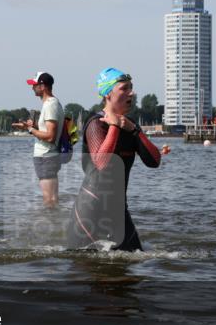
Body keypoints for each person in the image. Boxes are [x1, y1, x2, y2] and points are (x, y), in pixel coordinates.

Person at [69, 68, 169, 251]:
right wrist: (114, 126)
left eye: (131, 87)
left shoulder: (130, 126)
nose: (131, 92)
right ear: (108, 94)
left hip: (118, 210)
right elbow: (101, 163)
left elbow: (154, 161)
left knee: (134, 261)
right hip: (91, 211)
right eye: (124, 88)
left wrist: (134, 130)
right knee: (88, 268)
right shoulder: (95, 124)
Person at [13, 72, 64, 207]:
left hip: (46, 157)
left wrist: (30, 130)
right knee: (51, 199)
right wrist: (30, 127)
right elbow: (47, 131)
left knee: (49, 200)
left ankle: (50, 226)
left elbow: (51, 136)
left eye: (35, 85)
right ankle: (54, 225)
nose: (32, 88)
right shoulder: (52, 103)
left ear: (43, 86)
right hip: (48, 156)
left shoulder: (50, 105)